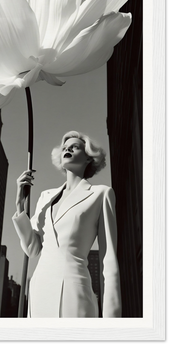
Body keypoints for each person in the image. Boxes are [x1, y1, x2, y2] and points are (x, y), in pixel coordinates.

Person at [12, 131, 121, 318]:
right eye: (64, 148)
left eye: (75, 146)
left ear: (88, 158)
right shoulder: (45, 197)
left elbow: (109, 261)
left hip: (74, 292)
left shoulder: (101, 194)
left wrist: (112, 322)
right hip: (39, 291)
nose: (68, 149)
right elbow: (33, 250)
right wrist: (20, 206)